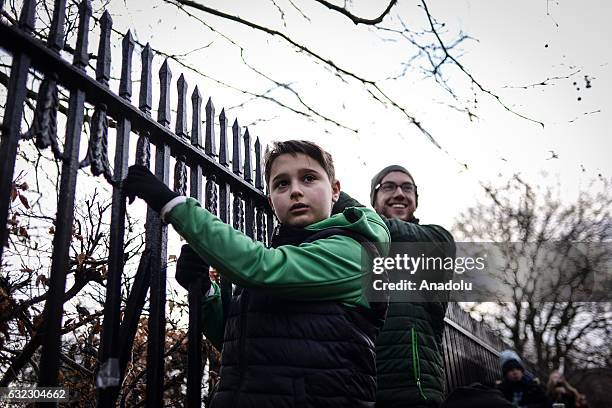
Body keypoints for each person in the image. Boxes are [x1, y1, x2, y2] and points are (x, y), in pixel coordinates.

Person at [124, 140, 390, 408]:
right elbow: (244, 340)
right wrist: (205, 293)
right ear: (271, 201)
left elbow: (262, 267)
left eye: (308, 178)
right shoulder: (284, 254)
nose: (295, 191)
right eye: (281, 184)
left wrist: (175, 205)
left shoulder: (354, 252)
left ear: (335, 191)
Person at [332, 165, 455, 408]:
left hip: (413, 391)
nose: (399, 193)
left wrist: (332, 195)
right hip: (354, 386)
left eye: (407, 187)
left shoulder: (436, 238)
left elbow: (386, 230)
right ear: (374, 198)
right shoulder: (353, 241)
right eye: (388, 187)